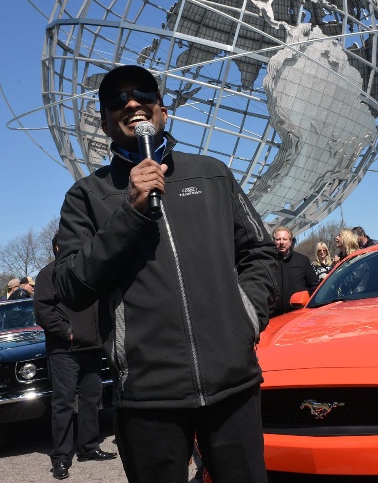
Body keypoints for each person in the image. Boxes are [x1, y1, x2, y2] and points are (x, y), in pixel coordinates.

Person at [52, 65, 276, 483]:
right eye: (117, 100)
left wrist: (246, 316)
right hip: (147, 397)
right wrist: (130, 211)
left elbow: (260, 249)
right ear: (104, 121)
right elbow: (70, 287)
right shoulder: (87, 196)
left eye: (143, 95)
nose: (132, 103)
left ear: (162, 110)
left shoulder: (212, 174)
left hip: (233, 384)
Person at [34, 232, 116, 480]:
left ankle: (89, 447)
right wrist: (67, 332)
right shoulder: (49, 274)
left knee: (92, 399)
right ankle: (61, 457)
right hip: (64, 351)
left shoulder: (90, 272)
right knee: (64, 403)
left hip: (92, 348)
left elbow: (103, 303)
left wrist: (104, 332)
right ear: (59, 247)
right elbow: (43, 311)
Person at [272, 227, 319, 318]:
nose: (281, 242)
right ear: (274, 241)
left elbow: (313, 286)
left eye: (285, 239)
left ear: (290, 241)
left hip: (298, 315)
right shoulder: (268, 262)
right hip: (273, 316)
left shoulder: (302, 260)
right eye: (278, 239)